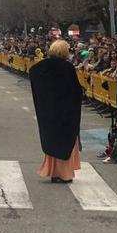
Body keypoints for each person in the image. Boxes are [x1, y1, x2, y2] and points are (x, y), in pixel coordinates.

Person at [29, 40, 82, 183]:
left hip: (48, 111)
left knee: (52, 141)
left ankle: (53, 172)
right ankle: (64, 174)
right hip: (65, 112)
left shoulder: (41, 67)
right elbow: (75, 90)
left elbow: (32, 72)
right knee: (65, 141)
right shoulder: (67, 68)